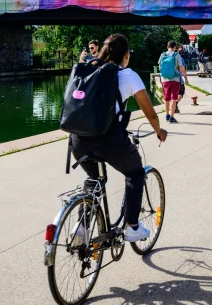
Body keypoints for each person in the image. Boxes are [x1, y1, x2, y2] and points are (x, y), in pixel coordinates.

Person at [70, 34, 168, 243]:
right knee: (134, 172)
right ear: (125, 55)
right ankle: (132, 227)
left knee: (94, 180)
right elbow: (150, 113)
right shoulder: (127, 75)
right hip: (108, 140)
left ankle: (81, 229)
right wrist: (159, 131)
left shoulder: (88, 68)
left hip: (78, 139)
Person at [158, 41, 188, 124]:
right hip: (175, 79)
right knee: (173, 98)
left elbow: (160, 67)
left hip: (165, 80)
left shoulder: (163, 54)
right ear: (175, 47)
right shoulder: (176, 55)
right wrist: (184, 77)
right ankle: (172, 117)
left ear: (167, 46)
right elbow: (181, 68)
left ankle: (167, 114)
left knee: (166, 98)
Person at [175, 45, 187, 114]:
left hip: (170, 78)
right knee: (181, 92)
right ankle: (176, 103)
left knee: (172, 93)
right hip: (179, 79)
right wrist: (186, 79)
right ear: (179, 50)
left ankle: (172, 106)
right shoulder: (180, 58)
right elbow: (183, 70)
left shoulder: (168, 57)